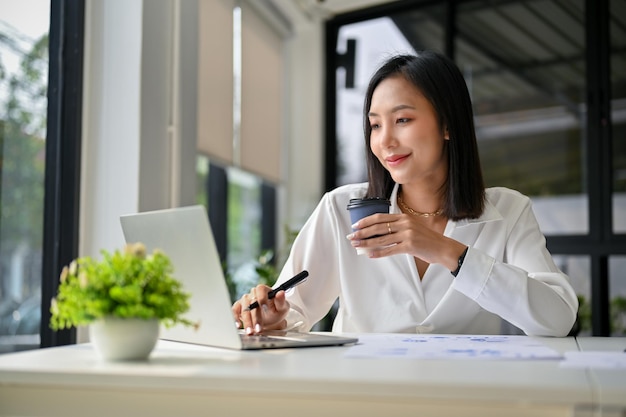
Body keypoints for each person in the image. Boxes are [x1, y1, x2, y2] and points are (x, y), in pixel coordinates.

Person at [232, 51, 579, 337]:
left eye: (402, 120)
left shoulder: (508, 210)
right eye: (375, 124)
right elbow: (293, 311)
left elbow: (557, 319)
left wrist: (445, 250)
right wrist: (273, 319)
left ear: (447, 124)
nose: (384, 142)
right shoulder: (340, 209)